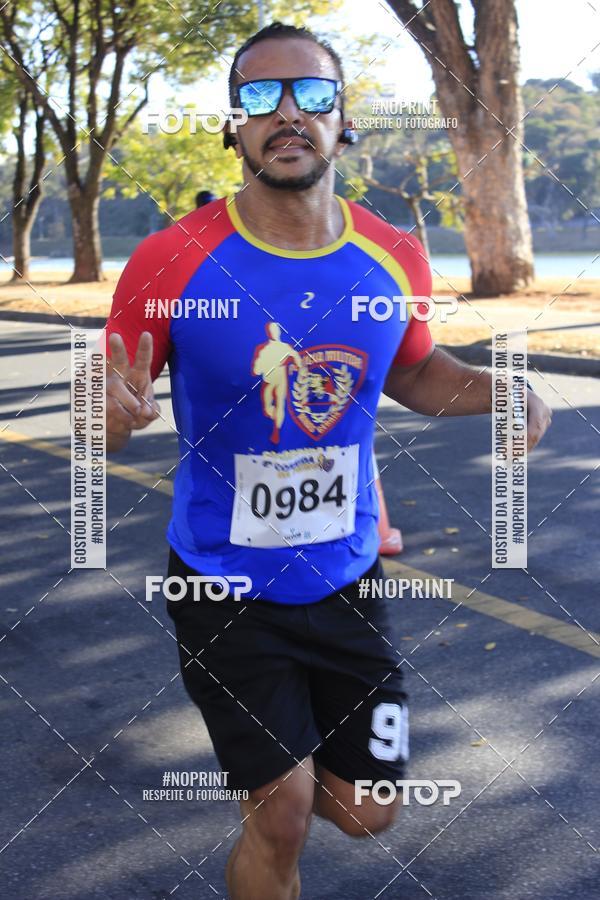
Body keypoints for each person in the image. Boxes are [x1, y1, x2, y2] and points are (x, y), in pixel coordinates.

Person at [104, 22, 552, 900]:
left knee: (366, 809)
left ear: (344, 121)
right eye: (259, 97)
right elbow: (107, 408)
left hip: (348, 576)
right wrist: (103, 415)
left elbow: (416, 371)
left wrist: (504, 389)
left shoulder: (393, 255)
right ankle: (271, 796)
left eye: (310, 95)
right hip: (221, 585)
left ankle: (292, 771)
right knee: (282, 814)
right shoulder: (172, 261)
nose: (286, 114)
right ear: (231, 125)